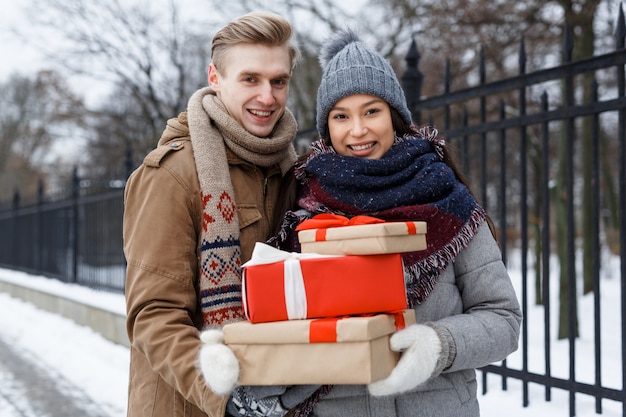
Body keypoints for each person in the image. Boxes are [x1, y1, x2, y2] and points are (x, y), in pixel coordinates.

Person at [269, 29, 523, 417]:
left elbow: (503, 319)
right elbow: (286, 330)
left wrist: (438, 345)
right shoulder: (303, 207)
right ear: (327, 127)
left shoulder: (447, 200)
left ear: (395, 115)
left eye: (371, 111)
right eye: (341, 116)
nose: (357, 130)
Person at [123, 11, 315, 417]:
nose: (267, 97)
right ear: (215, 77)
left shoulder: (294, 172)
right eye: (250, 79)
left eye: (278, 81)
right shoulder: (173, 174)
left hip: (278, 400)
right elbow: (153, 315)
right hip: (189, 406)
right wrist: (226, 397)